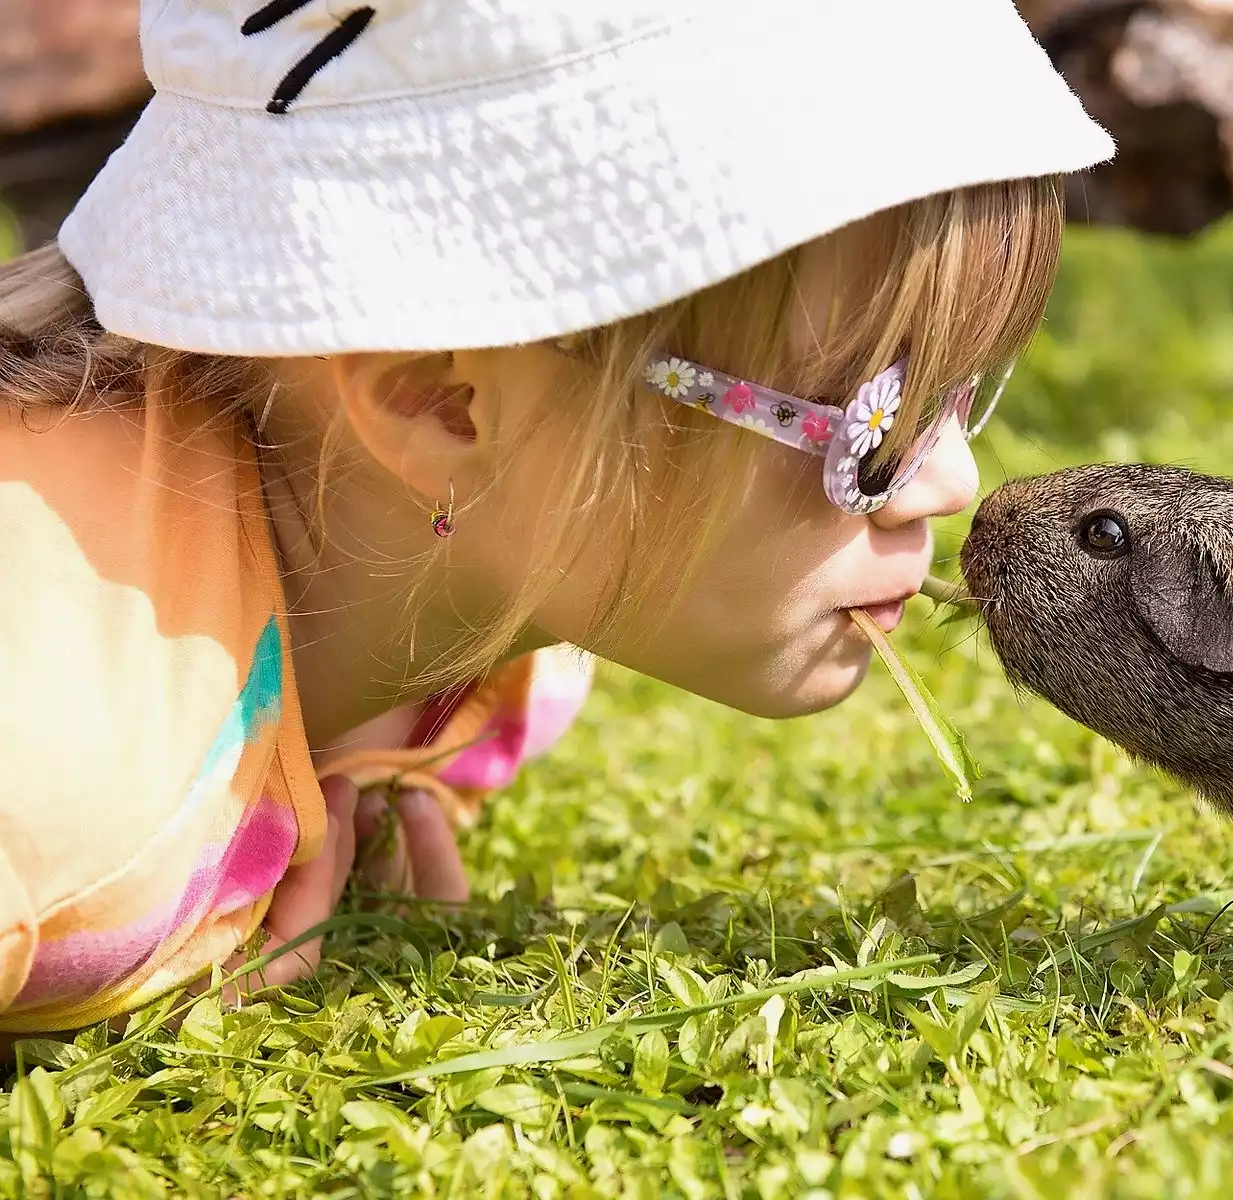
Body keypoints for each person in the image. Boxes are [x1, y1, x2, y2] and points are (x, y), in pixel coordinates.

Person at [0, 0, 1112, 1034]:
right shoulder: (61, 774)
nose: (951, 481)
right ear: (439, 397)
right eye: (874, 420)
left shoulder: (499, 641)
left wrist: (325, 758)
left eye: (962, 391)